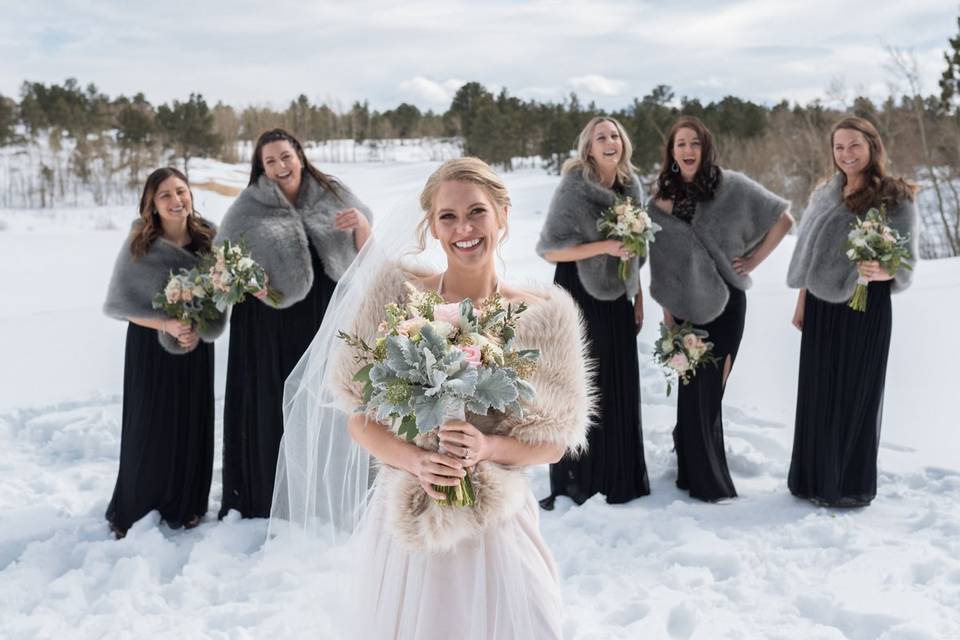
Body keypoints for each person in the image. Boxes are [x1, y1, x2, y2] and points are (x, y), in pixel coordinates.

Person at [271, 158, 593, 639]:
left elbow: (554, 443)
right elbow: (360, 421)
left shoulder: (546, 316)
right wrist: (416, 462)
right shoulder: (394, 297)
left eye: (477, 212)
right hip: (411, 516)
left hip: (497, 521)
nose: (464, 228)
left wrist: (486, 449)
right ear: (432, 226)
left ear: (503, 213)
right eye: (448, 216)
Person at [217, 128, 373, 519]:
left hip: (325, 313)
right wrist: (246, 283)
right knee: (275, 400)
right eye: (270, 161)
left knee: (328, 397)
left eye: (285, 156)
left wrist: (361, 226)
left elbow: (366, 252)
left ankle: (329, 487)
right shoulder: (248, 207)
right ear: (262, 168)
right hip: (269, 322)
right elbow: (222, 260)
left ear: (299, 155)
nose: (280, 166)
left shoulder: (332, 192)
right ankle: (270, 492)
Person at [648, 116, 793, 502]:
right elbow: (662, 262)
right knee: (689, 389)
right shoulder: (661, 198)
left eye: (694, 143)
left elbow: (784, 219)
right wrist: (668, 317)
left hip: (727, 303)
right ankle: (688, 469)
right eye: (680, 144)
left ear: (705, 147)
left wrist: (753, 261)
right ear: (672, 151)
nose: (688, 150)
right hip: (684, 307)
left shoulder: (732, 186)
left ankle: (707, 481)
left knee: (711, 391)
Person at [786, 116, 918, 507]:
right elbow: (809, 249)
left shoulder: (895, 196)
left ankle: (845, 485)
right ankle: (812, 479)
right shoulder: (825, 192)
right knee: (818, 391)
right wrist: (802, 299)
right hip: (823, 306)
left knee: (855, 392)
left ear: (872, 147)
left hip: (865, 305)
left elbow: (906, 260)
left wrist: (884, 270)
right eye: (839, 147)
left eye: (854, 145)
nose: (846, 154)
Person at [102, 167, 224, 538]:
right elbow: (121, 304)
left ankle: (186, 505)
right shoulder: (140, 242)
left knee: (191, 420)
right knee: (149, 425)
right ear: (152, 205)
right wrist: (167, 325)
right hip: (150, 348)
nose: (176, 201)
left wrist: (197, 327)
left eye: (181, 191)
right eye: (165, 195)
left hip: (195, 346)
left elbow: (221, 296)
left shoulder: (209, 238)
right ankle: (134, 509)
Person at [535, 116, 649, 508]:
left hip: (617, 294)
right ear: (588, 147)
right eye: (601, 136)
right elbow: (550, 249)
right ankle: (579, 478)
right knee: (583, 382)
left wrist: (637, 296)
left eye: (615, 134)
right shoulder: (573, 185)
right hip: (577, 293)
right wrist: (604, 247)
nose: (610, 140)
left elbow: (637, 251)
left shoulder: (632, 185)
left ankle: (619, 474)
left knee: (618, 378)